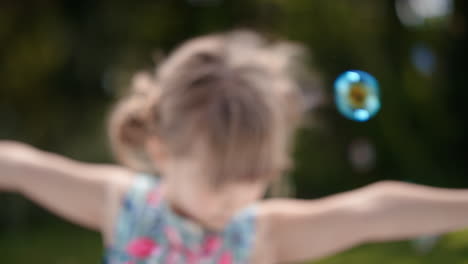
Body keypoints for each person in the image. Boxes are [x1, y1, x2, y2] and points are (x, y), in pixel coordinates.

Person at [1, 31, 468, 264]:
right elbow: (20, 165)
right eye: (219, 180)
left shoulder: (259, 234)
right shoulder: (123, 205)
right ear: (163, 150)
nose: (237, 199)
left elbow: (373, 211)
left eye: (255, 179)